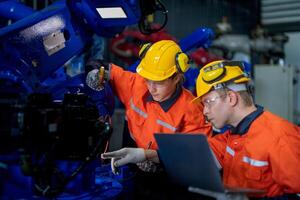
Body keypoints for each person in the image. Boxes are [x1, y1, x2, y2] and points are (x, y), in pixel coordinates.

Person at [87, 40, 212, 199]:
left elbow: (197, 159)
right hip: (132, 169)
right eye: (148, 79)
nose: (151, 88)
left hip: (168, 182)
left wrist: (156, 160)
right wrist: (97, 71)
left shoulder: (191, 112)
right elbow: (106, 69)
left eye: (159, 82)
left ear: (176, 78)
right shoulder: (136, 85)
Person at [192, 60, 300, 198]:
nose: (205, 111)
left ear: (231, 98)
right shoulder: (232, 136)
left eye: (208, 102)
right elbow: (199, 155)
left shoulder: (281, 137)